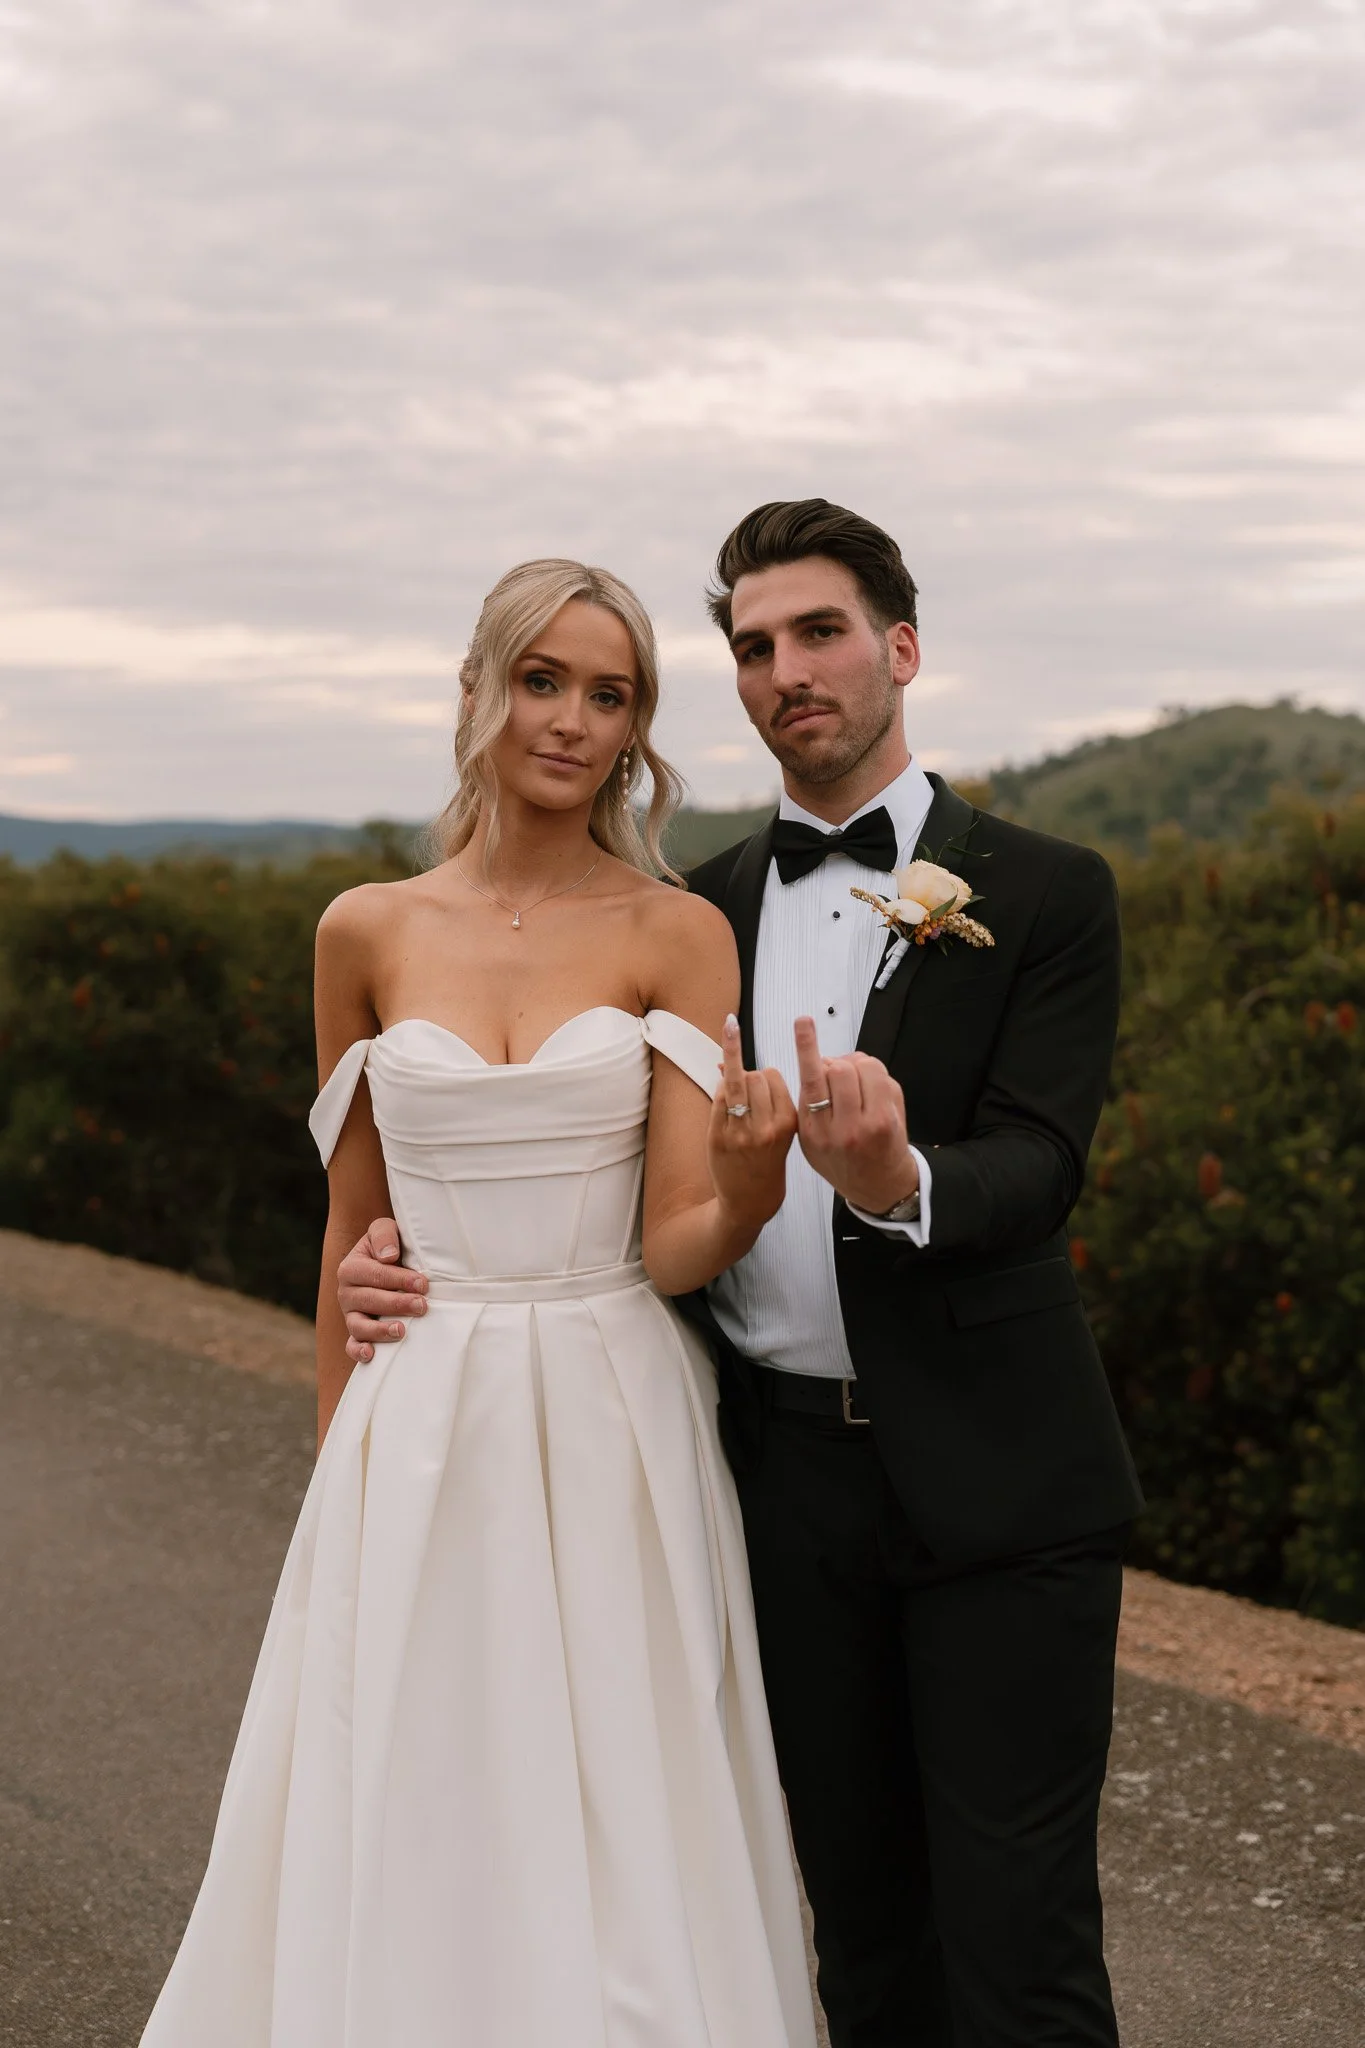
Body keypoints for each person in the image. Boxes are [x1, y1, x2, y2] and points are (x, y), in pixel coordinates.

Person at [344, 501, 1146, 2048]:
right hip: (761, 1479)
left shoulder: (1049, 889)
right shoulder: (680, 909)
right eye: (754, 647)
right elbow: (590, 1170)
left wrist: (900, 1178)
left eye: (822, 633)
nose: (788, 671)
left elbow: (1043, 1164)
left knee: (1021, 1942)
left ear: (901, 649)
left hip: (1000, 1483)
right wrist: (402, 1241)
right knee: (851, 1933)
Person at [139, 558, 819, 2048]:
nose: (573, 721)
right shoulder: (362, 931)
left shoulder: (675, 932)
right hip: (418, 1412)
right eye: (542, 680)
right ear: (476, 690)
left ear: (637, 731)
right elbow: (349, 1227)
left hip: (612, 1408)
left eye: (612, 694)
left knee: (618, 1807)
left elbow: (682, 1243)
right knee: (412, 1777)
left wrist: (761, 1184)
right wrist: (343, 1471)